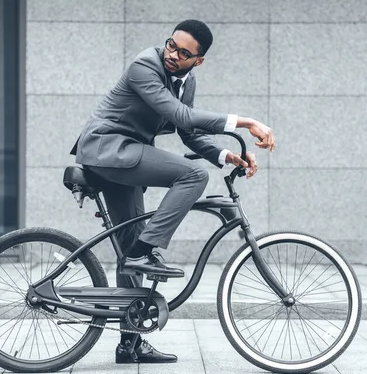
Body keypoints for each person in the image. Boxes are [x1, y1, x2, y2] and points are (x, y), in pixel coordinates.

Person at [70, 19, 275, 364]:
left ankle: (130, 344)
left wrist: (227, 156)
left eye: (183, 53)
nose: (172, 55)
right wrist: (247, 121)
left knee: (129, 248)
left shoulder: (187, 80)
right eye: (171, 45)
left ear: (198, 60)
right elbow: (179, 113)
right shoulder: (144, 65)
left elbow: (189, 131)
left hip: (126, 156)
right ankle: (145, 249)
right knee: (193, 175)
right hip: (108, 149)